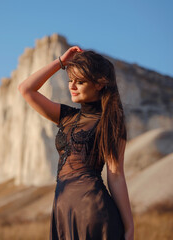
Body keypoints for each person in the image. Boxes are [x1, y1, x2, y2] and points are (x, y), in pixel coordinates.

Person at [18, 46, 134, 240]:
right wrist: (61, 62)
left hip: (92, 210)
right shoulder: (67, 117)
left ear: (100, 83)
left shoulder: (110, 121)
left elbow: (116, 176)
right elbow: (26, 89)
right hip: (63, 211)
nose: (72, 86)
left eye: (80, 82)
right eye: (70, 80)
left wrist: (129, 226)